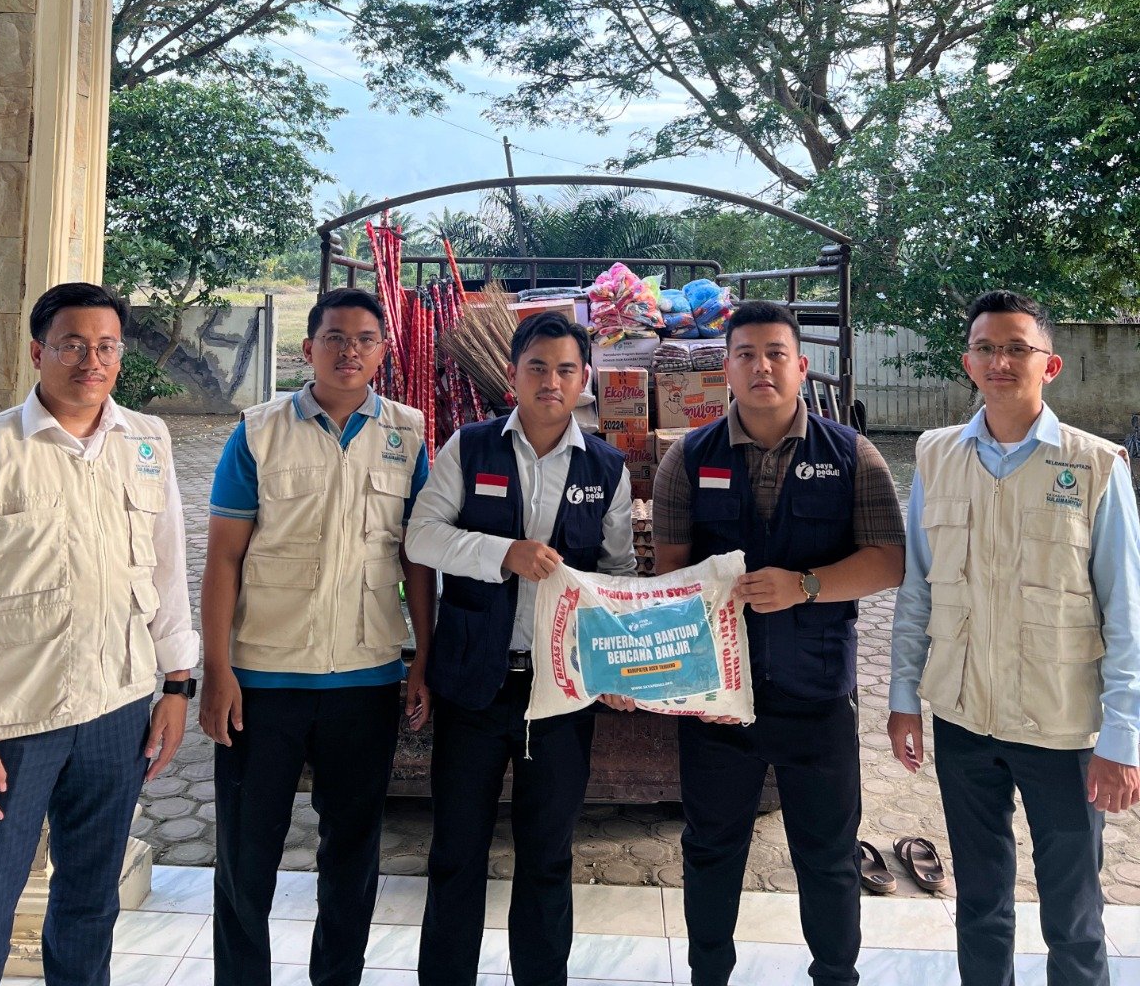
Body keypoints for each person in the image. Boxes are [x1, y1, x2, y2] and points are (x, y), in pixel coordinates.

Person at [0, 282, 198, 986]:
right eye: (73, 345)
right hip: (13, 719)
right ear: (38, 352)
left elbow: (168, 568)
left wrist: (178, 685)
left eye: (107, 346)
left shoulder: (146, 441)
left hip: (118, 710)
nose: (92, 361)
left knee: (90, 903)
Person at [888, 289, 1140, 986]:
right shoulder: (936, 456)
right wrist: (904, 697)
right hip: (964, 720)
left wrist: (1123, 738)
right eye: (986, 348)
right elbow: (917, 589)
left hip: (1061, 727)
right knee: (979, 902)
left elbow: (1127, 613)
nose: (1000, 361)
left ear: (1048, 365)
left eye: (1017, 348)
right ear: (968, 362)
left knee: (1074, 914)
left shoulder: (1095, 466)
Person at [653, 298, 905, 986]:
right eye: (746, 354)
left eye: (775, 354)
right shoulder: (687, 457)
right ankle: (708, 975)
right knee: (711, 850)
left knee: (827, 856)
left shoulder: (851, 455)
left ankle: (836, 975)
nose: (761, 367)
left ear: (801, 366)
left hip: (816, 695)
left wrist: (806, 585)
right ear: (726, 368)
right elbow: (669, 575)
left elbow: (889, 561)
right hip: (718, 702)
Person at [199, 287, 433, 986]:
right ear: (308, 349)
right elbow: (223, 559)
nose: (349, 351)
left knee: (353, 854)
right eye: (334, 337)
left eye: (365, 339)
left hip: (366, 677)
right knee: (246, 857)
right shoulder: (258, 432)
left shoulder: (408, 435)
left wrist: (423, 658)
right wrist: (217, 670)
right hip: (262, 681)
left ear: (383, 352)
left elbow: (416, 558)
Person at [405, 311, 635, 986]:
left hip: (560, 694)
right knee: (456, 852)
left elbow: (618, 577)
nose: (550, 382)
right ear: (512, 374)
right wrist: (502, 553)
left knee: (547, 856)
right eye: (537, 367)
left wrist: (619, 666)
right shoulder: (469, 447)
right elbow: (421, 536)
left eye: (565, 370)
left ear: (585, 380)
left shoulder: (607, 467)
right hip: (473, 687)